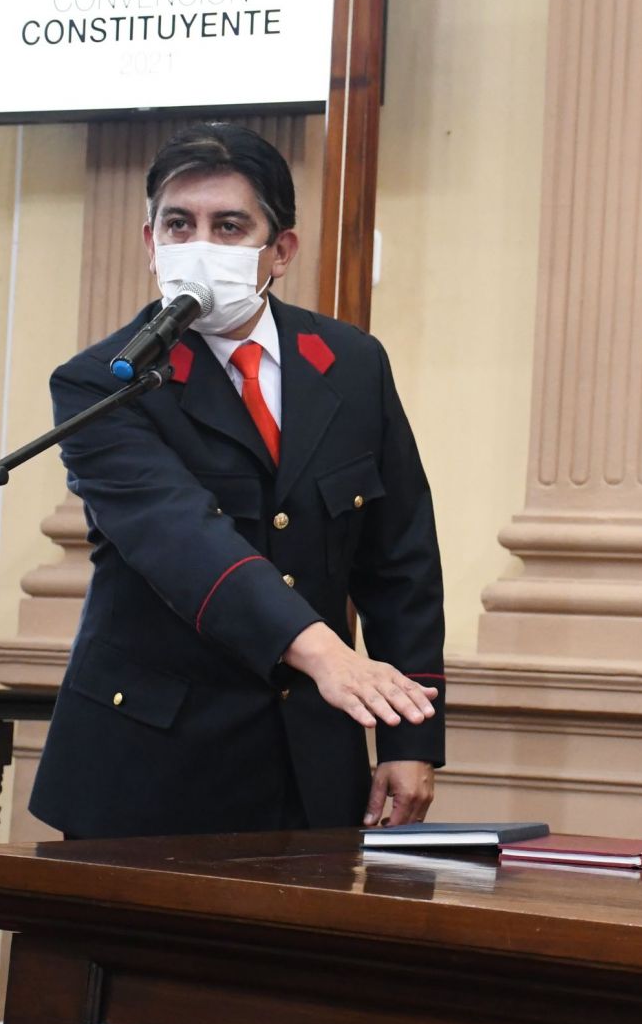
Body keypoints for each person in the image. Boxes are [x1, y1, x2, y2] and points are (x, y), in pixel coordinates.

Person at [30, 123, 446, 839]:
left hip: (310, 758)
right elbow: (181, 540)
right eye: (178, 225)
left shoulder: (351, 363)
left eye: (228, 227)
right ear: (150, 242)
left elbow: (400, 559)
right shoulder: (104, 381)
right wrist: (327, 654)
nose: (199, 246)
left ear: (280, 250)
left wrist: (410, 739)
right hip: (151, 761)